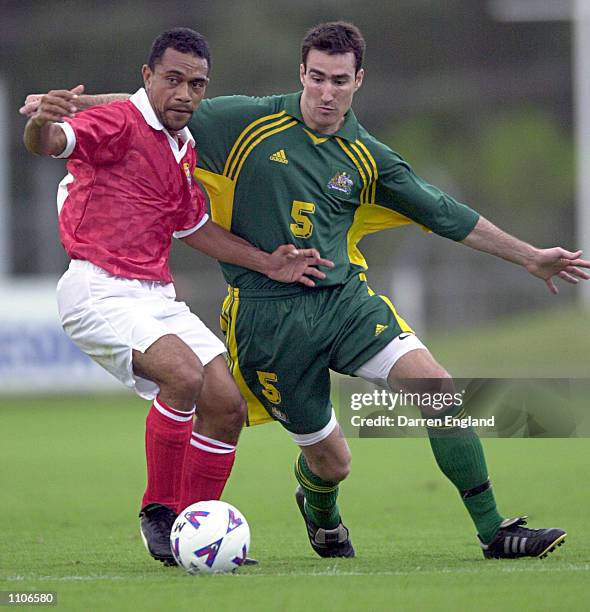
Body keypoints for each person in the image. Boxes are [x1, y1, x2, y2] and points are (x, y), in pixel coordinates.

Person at [21, 22, 588, 561]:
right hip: (269, 324)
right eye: (317, 77)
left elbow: (445, 213)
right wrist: (69, 106)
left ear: (358, 81)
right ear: (301, 73)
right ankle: (319, 514)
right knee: (331, 462)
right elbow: (153, 106)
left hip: (344, 303)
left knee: (436, 386)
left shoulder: (369, 157)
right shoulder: (246, 121)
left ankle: (495, 532)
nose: (326, 91)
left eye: (339, 80)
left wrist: (532, 256)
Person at [21, 27, 332, 567]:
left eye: (197, 84)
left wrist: (267, 262)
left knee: (226, 404)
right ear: (147, 78)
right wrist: (42, 120)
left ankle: (196, 533)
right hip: (98, 286)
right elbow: (49, 143)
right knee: (183, 376)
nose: (185, 94)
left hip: (154, 294)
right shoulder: (120, 121)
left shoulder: (183, 147)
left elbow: (195, 228)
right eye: (173, 80)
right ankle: (159, 514)